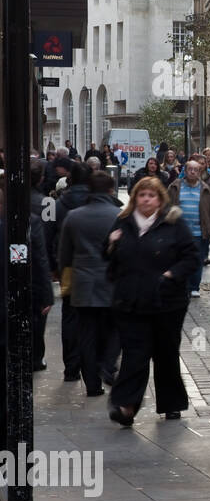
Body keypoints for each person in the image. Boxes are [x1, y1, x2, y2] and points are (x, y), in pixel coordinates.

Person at [103, 177, 199, 426]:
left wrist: (170, 275)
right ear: (135, 198)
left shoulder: (173, 223)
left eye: (151, 195)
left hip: (166, 302)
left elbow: (191, 257)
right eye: (142, 195)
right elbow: (108, 257)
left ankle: (172, 404)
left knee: (165, 352)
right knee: (135, 353)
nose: (146, 199)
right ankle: (126, 405)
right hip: (130, 301)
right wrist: (111, 244)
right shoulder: (123, 222)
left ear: (160, 200)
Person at [58, 171, 122, 396]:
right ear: (110, 190)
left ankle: (92, 385)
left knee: (86, 334)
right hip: (112, 282)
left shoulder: (74, 217)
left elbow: (64, 256)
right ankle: (107, 365)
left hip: (83, 283)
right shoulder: (119, 215)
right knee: (114, 329)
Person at [54, 162, 92, 382]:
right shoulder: (95, 201)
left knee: (69, 316)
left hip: (66, 265)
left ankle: (71, 368)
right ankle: (91, 367)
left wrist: (53, 265)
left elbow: (48, 232)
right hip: (92, 267)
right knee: (91, 319)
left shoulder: (57, 203)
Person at [168, 159, 210, 297]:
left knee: (197, 260)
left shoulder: (205, 189)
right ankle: (181, 285)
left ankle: (194, 286)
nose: (192, 172)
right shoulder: (175, 186)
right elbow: (166, 207)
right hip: (179, 232)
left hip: (199, 231)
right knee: (179, 259)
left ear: (199, 172)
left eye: (195, 170)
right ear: (185, 171)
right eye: (189, 169)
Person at [24, 166, 56, 372]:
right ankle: (37, 355)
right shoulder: (48, 202)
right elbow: (51, 233)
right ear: (41, 178)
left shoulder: (12, 198)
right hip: (39, 260)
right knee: (39, 314)